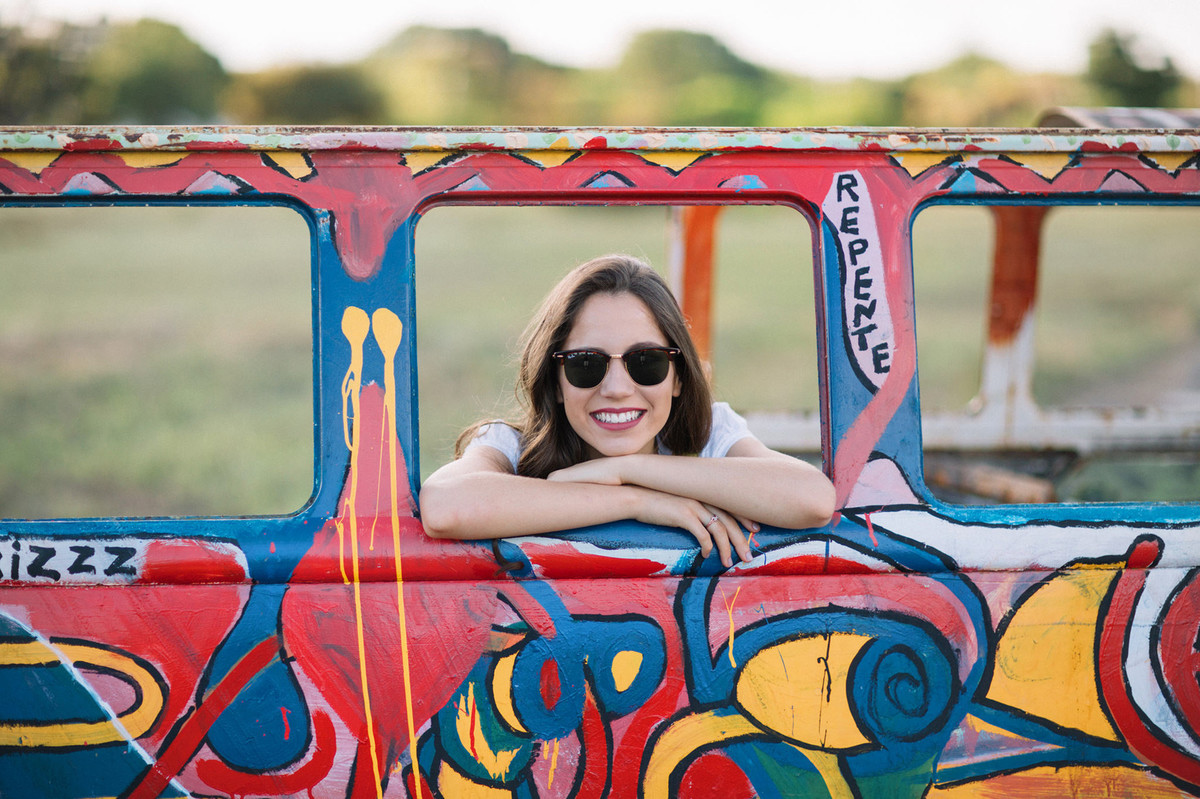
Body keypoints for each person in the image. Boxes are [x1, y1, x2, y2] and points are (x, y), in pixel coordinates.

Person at [419, 254, 835, 567]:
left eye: (646, 362)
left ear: (676, 377)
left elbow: (812, 498)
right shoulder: (510, 446)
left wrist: (625, 471)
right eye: (586, 364)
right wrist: (636, 502)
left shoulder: (710, 435)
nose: (617, 389)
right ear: (557, 382)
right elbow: (446, 507)